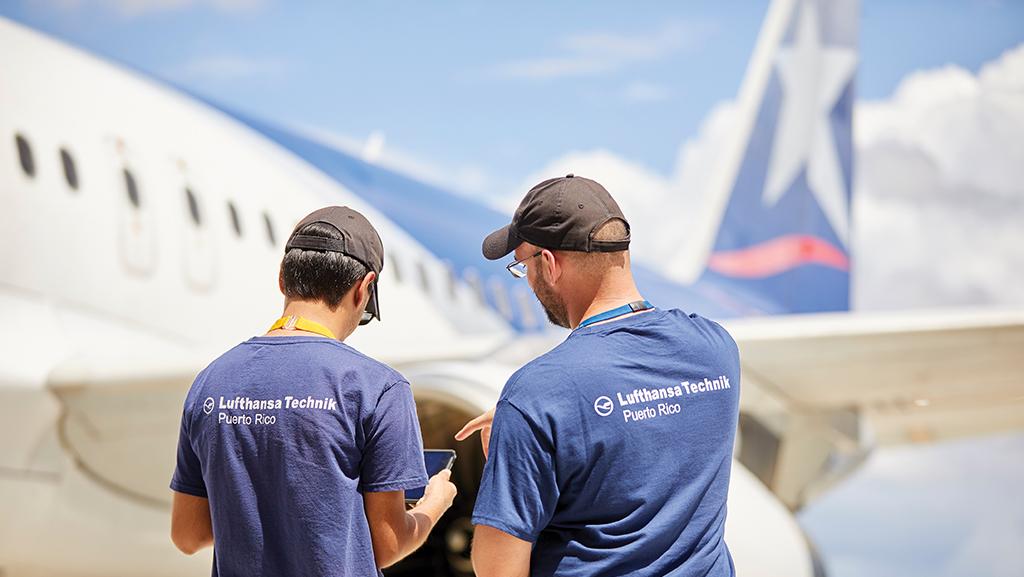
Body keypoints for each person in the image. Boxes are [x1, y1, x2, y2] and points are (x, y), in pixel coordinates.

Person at [456, 175, 741, 577]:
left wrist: (525, 430)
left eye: (523, 266)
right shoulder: (716, 349)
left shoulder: (537, 394)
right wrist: (541, 425)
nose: (528, 282)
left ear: (550, 264)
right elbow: (649, 424)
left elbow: (498, 567)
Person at [169, 206, 457, 576]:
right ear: (364, 289)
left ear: (282, 280)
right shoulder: (379, 388)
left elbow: (187, 535)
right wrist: (433, 504)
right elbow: (386, 546)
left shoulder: (210, 382)